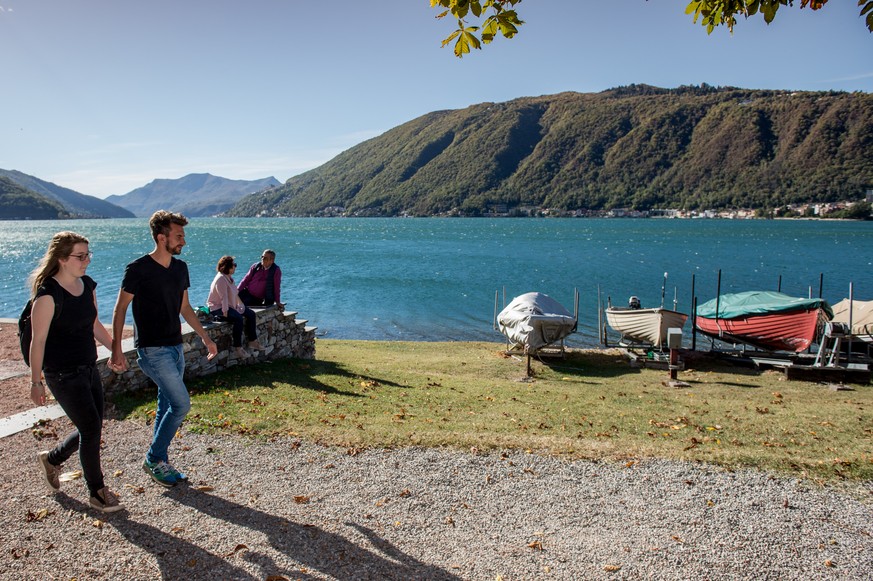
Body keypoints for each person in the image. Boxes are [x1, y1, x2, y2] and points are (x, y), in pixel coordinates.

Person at [110, 210, 218, 488]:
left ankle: (160, 463)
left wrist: (206, 337)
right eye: (179, 235)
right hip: (151, 349)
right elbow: (120, 309)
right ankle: (153, 458)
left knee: (166, 404)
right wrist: (115, 349)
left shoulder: (180, 269)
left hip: (174, 346)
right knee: (181, 404)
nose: (183, 241)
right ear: (162, 237)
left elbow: (185, 308)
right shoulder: (138, 269)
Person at [29, 231, 123, 513]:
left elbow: (94, 323)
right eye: (80, 256)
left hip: (88, 366)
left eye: (88, 255)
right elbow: (39, 341)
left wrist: (114, 349)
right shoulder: (48, 295)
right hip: (61, 373)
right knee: (91, 428)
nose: (86, 261)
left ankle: (53, 459)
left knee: (92, 426)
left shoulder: (87, 285)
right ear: (62, 259)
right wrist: (36, 382)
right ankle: (96, 492)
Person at [207, 255, 262, 358]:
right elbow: (223, 298)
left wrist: (241, 306)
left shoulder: (228, 278)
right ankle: (238, 348)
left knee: (251, 314)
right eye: (234, 265)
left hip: (230, 306)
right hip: (218, 308)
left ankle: (253, 341)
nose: (235, 267)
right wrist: (226, 314)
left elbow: (235, 294)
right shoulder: (221, 279)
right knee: (238, 319)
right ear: (227, 267)